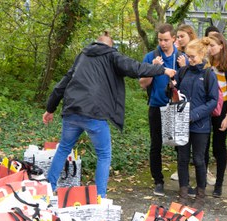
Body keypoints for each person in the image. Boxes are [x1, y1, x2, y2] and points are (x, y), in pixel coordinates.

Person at [43, 33, 176, 198]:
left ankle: (48, 189)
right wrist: (162, 70)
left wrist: (50, 109)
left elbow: (63, 83)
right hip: (94, 113)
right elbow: (135, 68)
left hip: (72, 110)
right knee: (104, 155)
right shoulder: (112, 55)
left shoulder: (82, 55)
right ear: (110, 46)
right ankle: (100, 197)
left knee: (63, 148)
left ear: (96, 43)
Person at [175, 38, 219, 208]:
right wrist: (170, 87)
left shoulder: (209, 75)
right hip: (182, 124)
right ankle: (183, 192)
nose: (189, 60)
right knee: (182, 158)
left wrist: (193, 115)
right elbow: (174, 92)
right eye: (188, 56)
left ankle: (200, 194)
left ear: (202, 55)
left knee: (199, 160)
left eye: (192, 57)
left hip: (200, 126)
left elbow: (213, 101)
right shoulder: (184, 71)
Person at [139, 24, 181, 197]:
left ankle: (183, 181)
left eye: (166, 40)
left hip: (176, 106)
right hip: (156, 105)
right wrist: (154, 69)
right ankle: (158, 181)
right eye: (160, 40)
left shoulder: (181, 57)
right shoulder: (151, 57)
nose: (163, 43)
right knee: (156, 145)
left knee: (180, 144)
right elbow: (143, 84)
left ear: (173, 38)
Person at [206, 33, 227, 197]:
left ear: (221, 45)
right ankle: (201, 181)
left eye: (213, 45)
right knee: (203, 145)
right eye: (208, 45)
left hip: (222, 106)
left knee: (218, 146)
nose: (210, 49)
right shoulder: (206, 62)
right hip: (206, 106)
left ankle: (219, 183)